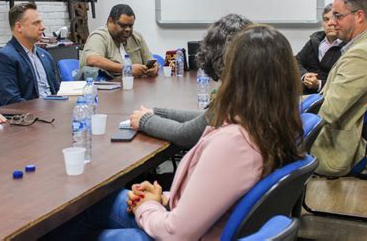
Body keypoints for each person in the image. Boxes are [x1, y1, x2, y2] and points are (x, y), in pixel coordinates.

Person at [52, 25, 304, 240]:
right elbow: (217, 195)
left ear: (237, 77)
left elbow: (176, 233)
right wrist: (163, 196)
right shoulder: (272, 126)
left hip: (179, 231)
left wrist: (148, 205)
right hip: (188, 216)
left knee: (77, 219)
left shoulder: (235, 144)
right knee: (96, 204)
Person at [129, 14, 252, 149]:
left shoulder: (239, 94)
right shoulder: (252, 83)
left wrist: (145, 120)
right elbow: (206, 119)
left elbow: (186, 134)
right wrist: (157, 113)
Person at [311, 0, 367, 176]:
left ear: (359, 16)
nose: (332, 22)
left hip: (333, 148)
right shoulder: (363, 46)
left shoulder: (362, 54)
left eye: (338, 16)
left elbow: (328, 111)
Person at [0, 2, 60, 106]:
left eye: (41, 22)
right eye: (36, 23)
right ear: (19, 27)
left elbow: (57, 90)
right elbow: (12, 102)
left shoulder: (45, 55)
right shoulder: (4, 58)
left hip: (53, 110)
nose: (43, 27)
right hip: (31, 117)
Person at [78, 4, 159, 79]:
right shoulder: (99, 36)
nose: (128, 29)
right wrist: (128, 69)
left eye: (131, 26)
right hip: (106, 89)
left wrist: (155, 68)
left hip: (135, 87)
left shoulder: (137, 37)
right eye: (123, 25)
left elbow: (151, 60)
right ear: (110, 21)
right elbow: (93, 60)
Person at [296, 3, 345, 94]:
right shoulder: (315, 40)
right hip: (305, 94)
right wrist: (304, 75)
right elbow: (296, 61)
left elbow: (345, 83)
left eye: (335, 18)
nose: (330, 23)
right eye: (326, 19)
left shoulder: (348, 46)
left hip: (330, 96)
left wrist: (319, 84)